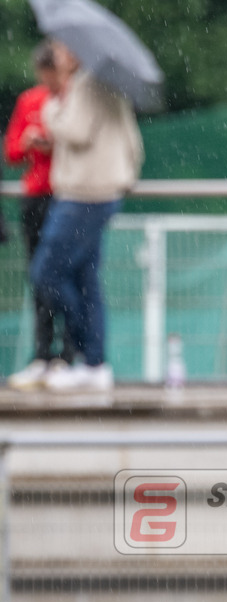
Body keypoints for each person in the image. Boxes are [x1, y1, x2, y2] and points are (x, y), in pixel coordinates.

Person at [30, 40, 143, 393]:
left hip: (85, 195)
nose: (58, 53)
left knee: (46, 272)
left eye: (62, 48)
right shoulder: (102, 83)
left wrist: (50, 108)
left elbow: (76, 132)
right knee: (85, 280)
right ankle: (94, 362)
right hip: (96, 191)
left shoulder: (87, 85)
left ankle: (85, 347)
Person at [3, 42, 75, 390]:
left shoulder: (75, 100)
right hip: (36, 197)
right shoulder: (30, 100)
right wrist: (33, 142)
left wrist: (56, 142)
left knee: (70, 275)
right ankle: (42, 354)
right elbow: (13, 151)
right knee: (39, 276)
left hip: (68, 195)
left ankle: (70, 354)